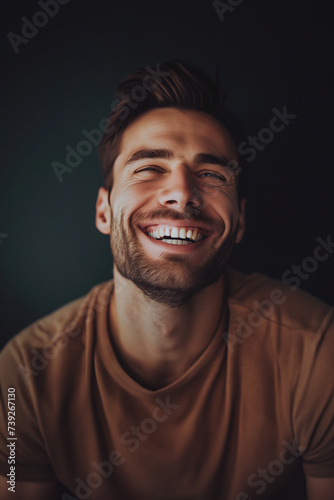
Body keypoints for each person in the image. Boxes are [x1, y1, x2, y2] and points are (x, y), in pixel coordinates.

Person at [0, 61, 333, 500]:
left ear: (240, 222)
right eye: (149, 168)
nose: (182, 192)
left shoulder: (318, 354)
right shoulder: (20, 379)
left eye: (212, 175)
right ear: (103, 211)